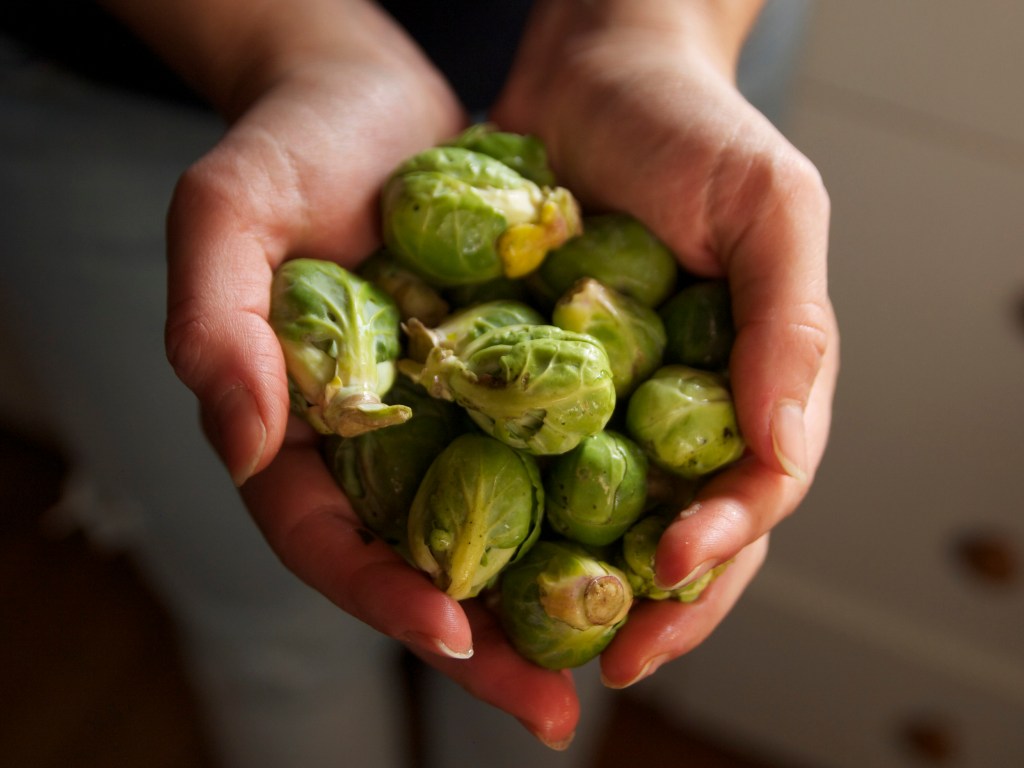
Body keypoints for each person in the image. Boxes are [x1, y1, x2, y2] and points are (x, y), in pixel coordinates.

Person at [0, 0, 837, 765]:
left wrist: (655, 28)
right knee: (276, 640)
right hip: (138, 89)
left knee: (546, 682)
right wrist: (282, 42)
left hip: (671, 61)